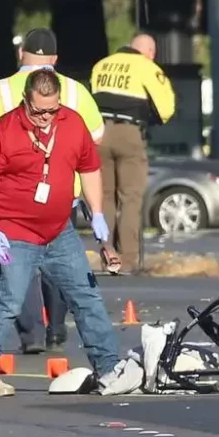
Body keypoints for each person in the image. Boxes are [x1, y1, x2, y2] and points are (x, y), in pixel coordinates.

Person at [0, 68, 121, 398]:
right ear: (26, 102)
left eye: (52, 110)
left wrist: (98, 214)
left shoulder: (72, 124)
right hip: (13, 232)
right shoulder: (2, 133)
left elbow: (89, 169)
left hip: (59, 231)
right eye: (38, 111)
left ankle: (110, 369)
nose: (45, 118)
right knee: (9, 300)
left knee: (86, 296)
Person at [0, 27, 106, 353]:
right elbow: (95, 137)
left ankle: (31, 333)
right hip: (63, 195)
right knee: (59, 267)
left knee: (18, 272)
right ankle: (57, 328)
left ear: (21, 54)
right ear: (55, 59)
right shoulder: (73, 91)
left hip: (12, 202)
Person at [90, 33, 176, 274]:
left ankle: (109, 258)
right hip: (129, 135)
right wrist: (153, 120)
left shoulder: (101, 65)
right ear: (148, 51)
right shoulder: (146, 67)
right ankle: (127, 260)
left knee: (104, 198)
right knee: (130, 199)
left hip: (98, 135)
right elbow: (166, 108)